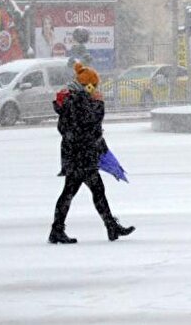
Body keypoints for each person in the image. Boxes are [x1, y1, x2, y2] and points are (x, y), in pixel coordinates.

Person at [49, 61, 134, 244]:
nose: (95, 89)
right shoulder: (79, 100)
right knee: (81, 192)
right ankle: (109, 227)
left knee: (84, 191)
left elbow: (68, 128)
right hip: (81, 156)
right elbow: (91, 122)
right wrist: (100, 103)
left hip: (76, 154)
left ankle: (110, 227)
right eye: (94, 86)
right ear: (87, 85)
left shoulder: (73, 100)